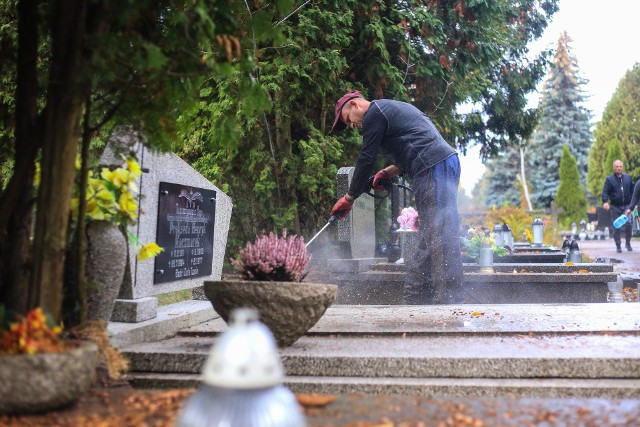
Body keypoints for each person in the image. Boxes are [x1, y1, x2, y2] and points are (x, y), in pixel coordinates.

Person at [327, 90, 464, 304]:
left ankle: (446, 302)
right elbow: (416, 142)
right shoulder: (386, 110)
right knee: (436, 233)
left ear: (354, 105)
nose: (351, 126)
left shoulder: (374, 113)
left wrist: (349, 198)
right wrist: (389, 172)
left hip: (432, 166)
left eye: (347, 120)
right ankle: (424, 299)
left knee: (438, 235)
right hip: (442, 162)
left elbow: (366, 158)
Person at [601, 159, 634, 252]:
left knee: (629, 224)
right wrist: (605, 201)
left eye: (620, 166)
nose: (619, 168)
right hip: (615, 206)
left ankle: (628, 243)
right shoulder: (609, 179)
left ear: (622, 167)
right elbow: (605, 191)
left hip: (627, 205)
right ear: (614, 167)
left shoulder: (628, 178)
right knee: (616, 226)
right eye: (617, 166)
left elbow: (633, 191)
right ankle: (618, 245)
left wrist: (633, 204)